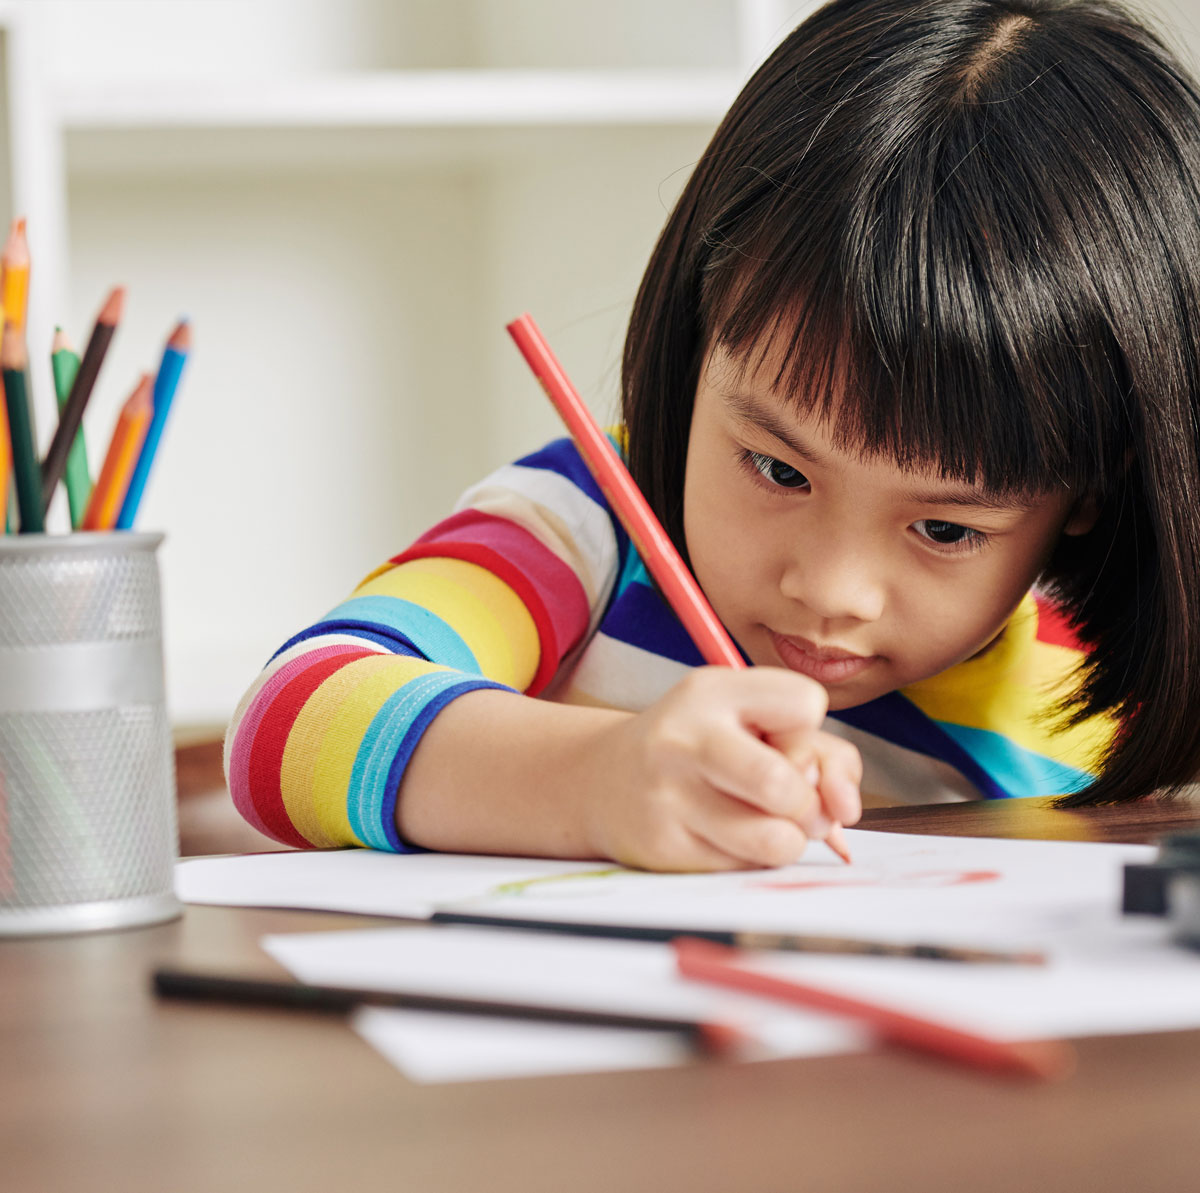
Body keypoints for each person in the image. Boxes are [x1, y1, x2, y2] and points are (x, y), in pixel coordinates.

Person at [226, 0, 1200, 871]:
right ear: (700, 331)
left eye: (945, 528)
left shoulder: (1098, 681)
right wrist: (598, 782)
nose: (828, 588)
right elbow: (289, 722)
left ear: (1094, 486)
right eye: (778, 467)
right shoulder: (585, 527)